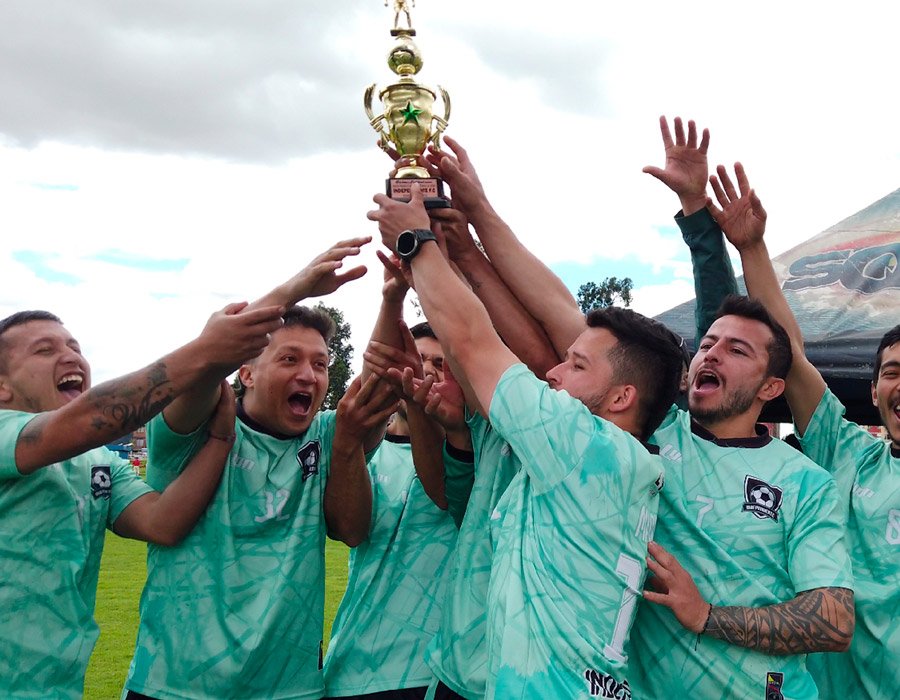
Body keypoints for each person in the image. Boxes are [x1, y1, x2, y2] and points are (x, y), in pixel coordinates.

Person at [425, 122, 855, 699]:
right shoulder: (646, 443)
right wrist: (477, 216)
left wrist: (709, 615)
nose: (711, 352)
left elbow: (833, 621)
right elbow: (560, 317)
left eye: (737, 351)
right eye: (707, 343)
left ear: (772, 387)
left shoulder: (804, 481)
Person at [368, 182, 684, 698]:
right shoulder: (617, 463)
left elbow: (474, 342)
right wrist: (453, 259)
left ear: (622, 397)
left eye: (576, 365)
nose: (553, 372)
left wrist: (417, 243)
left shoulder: (585, 446)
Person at [123, 238, 396, 700]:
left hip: (289, 688)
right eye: (289, 359)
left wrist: (392, 297)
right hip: (175, 686)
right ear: (246, 373)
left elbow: (377, 379)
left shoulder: (326, 435)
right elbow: (209, 354)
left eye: (320, 364)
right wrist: (295, 288)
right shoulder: (194, 429)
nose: (308, 375)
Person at [0, 303, 284, 699]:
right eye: (44, 350)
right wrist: (207, 349)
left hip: (55, 688)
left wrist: (220, 440)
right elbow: (91, 418)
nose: (70, 356)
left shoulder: (96, 463)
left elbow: (162, 522)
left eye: (74, 347)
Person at [710, 161, 899, 700]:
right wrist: (752, 249)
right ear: (874, 392)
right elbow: (790, 357)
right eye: (892, 372)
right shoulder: (851, 454)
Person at [323, 317, 472, 700]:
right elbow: (347, 531)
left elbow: (446, 492)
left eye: (439, 364)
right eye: (416, 361)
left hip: (433, 675)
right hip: (351, 669)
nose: (424, 373)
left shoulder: (472, 463)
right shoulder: (365, 455)